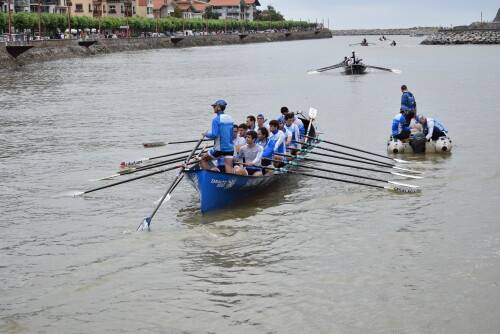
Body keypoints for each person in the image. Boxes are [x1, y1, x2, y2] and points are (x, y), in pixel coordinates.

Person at [201, 99, 234, 174]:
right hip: (230, 148)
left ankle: (212, 175)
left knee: (203, 159)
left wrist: (206, 134)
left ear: (219, 107)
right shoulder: (230, 118)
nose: (213, 108)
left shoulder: (215, 120)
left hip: (219, 149)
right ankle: (229, 183)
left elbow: (214, 135)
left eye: (214, 106)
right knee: (228, 167)